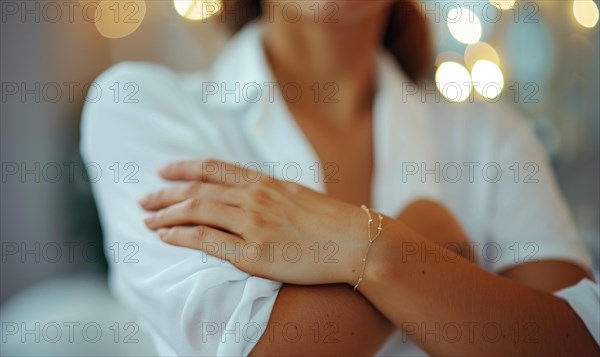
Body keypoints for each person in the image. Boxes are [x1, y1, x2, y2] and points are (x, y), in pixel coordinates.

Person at [81, 1, 599, 355]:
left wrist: (377, 247)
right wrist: (433, 236)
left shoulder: (493, 137)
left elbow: (576, 344)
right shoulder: (142, 108)